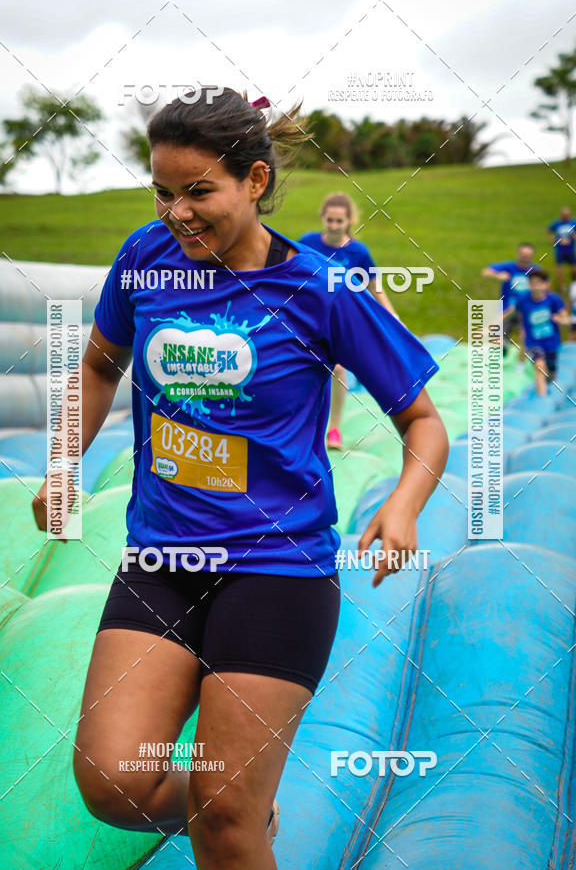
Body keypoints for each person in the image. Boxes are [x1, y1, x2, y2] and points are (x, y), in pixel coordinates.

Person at [31, 87, 448, 870]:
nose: (176, 212)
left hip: (277, 573)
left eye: (198, 192)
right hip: (162, 562)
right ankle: (242, 806)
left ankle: (236, 812)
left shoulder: (323, 289)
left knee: (225, 825)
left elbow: (423, 422)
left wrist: (403, 505)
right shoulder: (145, 261)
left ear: (254, 181)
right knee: (114, 783)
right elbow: (95, 365)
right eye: (162, 191)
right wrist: (62, 465)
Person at [299, 194, 398, 451]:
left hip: (338, 320)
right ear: (323, 218)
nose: (333, 225)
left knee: (338, 369)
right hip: (307, 315)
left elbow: (375, 287)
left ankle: (334, 429)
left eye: (339, 221)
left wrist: (392, 315)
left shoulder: (357, 252)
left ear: (349, 221)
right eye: (329, 220)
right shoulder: (307, 242)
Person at [505, 269, 571, 396]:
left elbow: (565, 318)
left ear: (546, 284)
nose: (536, 286)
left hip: (551, 344)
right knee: (540, 367)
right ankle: (542, 400)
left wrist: (562, 320)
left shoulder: (553, 300)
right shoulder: (523, 300)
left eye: (539, 283)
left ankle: (548, 387)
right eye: (532, 283)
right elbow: (509, 313)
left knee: (550, 375)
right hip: (534, 343)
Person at [481, 243, 541, 360]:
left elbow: (545, 287)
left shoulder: (535, 271)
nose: (525, 258)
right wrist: (498, 275)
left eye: (528, 255)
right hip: (506, 308)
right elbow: (485, 272)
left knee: (525, 336)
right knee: (498, 338)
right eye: (523, 255)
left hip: (526, 309)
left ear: (532, 256)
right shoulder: (509, 267)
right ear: (518, 254)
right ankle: (503, 350)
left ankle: (521, 364)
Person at [547, 206, 576, 296]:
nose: (565, 217)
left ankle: (573, 283)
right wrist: (552, 241)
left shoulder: (573, 223)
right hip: (560, 249)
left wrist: (573, 236)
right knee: (559, 268)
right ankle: (561, 286)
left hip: (570, 249)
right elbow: (549, 230)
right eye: (564, 215)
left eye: (567, 215)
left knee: (574, 267)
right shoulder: (557, 223)